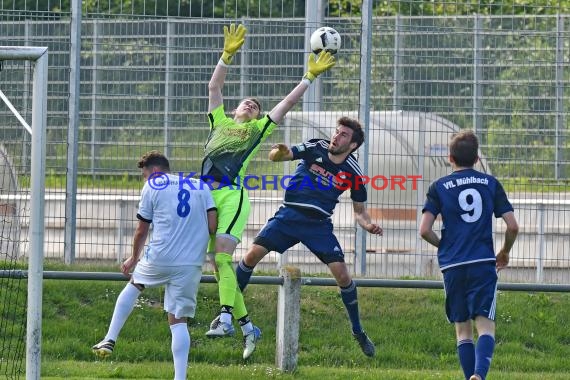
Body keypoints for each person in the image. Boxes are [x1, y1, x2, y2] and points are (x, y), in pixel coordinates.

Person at [203, 23, 335, 360]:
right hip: (205, 196)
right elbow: (214, 85)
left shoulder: (257, 130)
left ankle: (226, 319)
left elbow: (286, 104)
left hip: (232, 196)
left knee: (221, 258)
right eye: (246, 103)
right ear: (234, 110)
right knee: (219, 268)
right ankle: (249, 328)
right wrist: (226, 55)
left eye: (255, 106)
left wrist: (309, 77)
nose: (250, 106)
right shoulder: (219, 121)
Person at [235, 117, 383, 357]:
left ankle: (358, 331)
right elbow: (281, 155)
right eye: (337, 132)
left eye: (343, 134)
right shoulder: (316, 146)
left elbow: (360, 211)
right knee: (251, 256)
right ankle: (226, 313)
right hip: (288, 217)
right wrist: (278, 153)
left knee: (343, 276)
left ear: (353, 145)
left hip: (318, 226)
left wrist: (368, 225)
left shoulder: (354, 172)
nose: (336, 136)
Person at [92, 151, 217, 380]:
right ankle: (180, 378)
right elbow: (212, 226)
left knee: (135, 285)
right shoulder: (200, 186)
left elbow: (142, 230)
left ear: (155, 171)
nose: (144, 179)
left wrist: (133, 258)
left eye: (144, 174)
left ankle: (110, 338)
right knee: (179, 322)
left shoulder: (153, 185)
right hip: (190, 263)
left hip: (160, 256)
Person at [419, 130, 519, 380]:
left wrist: (444, 245)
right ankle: (480, 375)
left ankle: (470, 377)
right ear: (477, 159)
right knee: (485, 325)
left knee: (462, 330)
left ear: (450, 158)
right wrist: (505, 251)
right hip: (482, 263)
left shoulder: (438, 187)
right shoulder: (490, 183)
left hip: (452, 265)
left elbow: (424, 230)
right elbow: (513, 226)